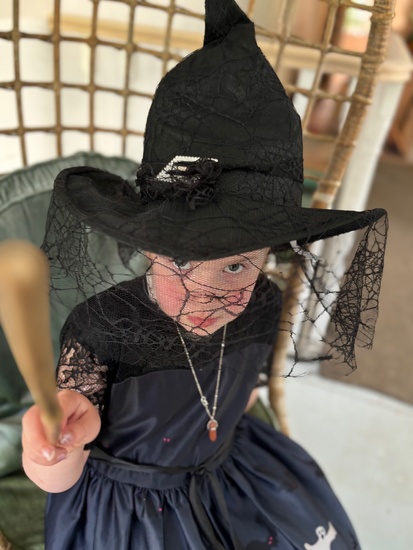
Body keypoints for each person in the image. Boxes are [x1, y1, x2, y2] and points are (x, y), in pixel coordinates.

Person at [21, 0, 387, 548]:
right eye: (182, 262)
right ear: (147, 247)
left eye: (236, 265)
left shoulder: (263, 304)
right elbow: (60, 478)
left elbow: (240, 396)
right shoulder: (101, 327)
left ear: (271, 254)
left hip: (231, 473)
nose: (205, 295)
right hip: (130, 508)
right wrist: (53, 448)